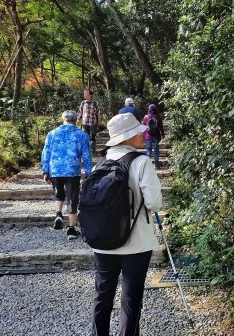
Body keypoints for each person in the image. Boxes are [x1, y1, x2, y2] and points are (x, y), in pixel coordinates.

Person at [91, 113, 163, 336]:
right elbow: (154, 203)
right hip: (136, 242)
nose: (143, 133)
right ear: (127, 137)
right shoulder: (142, 162)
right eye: (137, 131)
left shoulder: (99, 164)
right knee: (131, 299)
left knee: (102, 296)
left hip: (103, 241)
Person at [41, 110, 91, 240]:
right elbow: (86, 155)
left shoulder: (52, 134)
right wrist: (89, 172)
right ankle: (71, 229)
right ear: (76, 120)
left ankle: (58, 214)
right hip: (72, 170)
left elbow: (46, 153)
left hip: (55, 170)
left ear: (62, 119)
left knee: (58, 192)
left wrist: (45, 171)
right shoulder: (82, 135)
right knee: (72, 198)